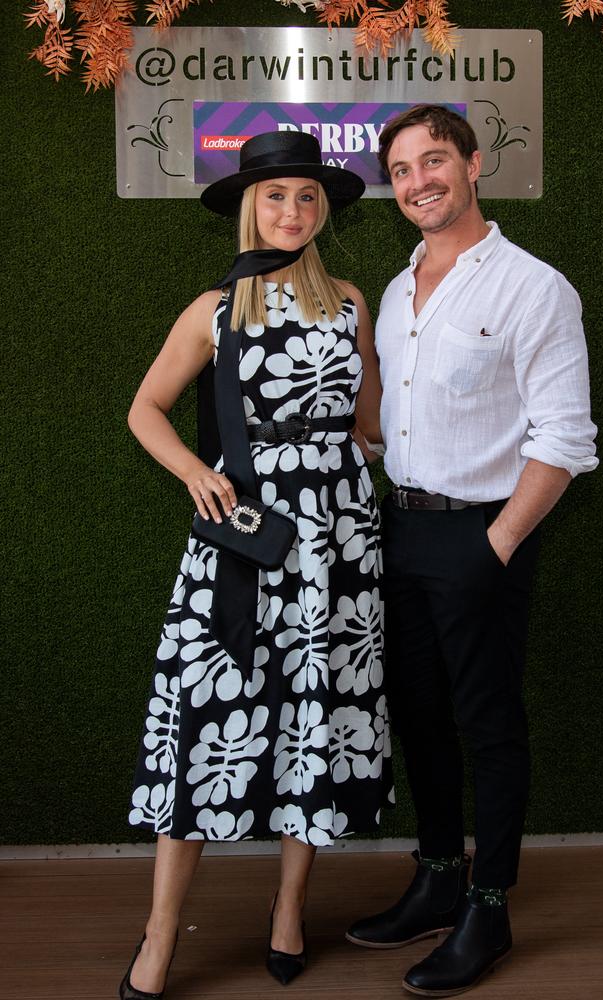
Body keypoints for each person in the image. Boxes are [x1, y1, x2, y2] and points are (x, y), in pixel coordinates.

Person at [120, 130, 392, 999]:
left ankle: (288, 908)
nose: (292, 210)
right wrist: (198, 472)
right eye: (276, 196)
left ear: (323, 212)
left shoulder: (351, 300)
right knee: (207, 715)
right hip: (242, 532)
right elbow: (146, 409)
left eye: (307, 197)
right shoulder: (213, 309)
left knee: (316, 708)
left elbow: (372, 425)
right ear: (250, 205)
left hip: (337, 539)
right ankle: (161, 934)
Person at [345, 104, 598, 996]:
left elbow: (566, 438)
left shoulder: (534, 287)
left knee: (487, 723)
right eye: (403, 169)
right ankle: (438, 878)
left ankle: (489, 906)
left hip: (484, 533)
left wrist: (494, 544)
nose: (419, 181)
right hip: (400, 529)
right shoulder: (396, 287)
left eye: (434, 161)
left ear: (473, 163)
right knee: (419, 714)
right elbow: (382, 423)